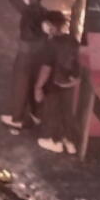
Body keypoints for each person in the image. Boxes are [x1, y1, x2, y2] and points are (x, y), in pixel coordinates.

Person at [0, 0, 47, 130]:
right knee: (35, 83)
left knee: (21, 84)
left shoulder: (28, 11)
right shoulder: (45, 12)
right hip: (40, 54)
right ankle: (36, 114)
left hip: (26, 53)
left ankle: (17, 118)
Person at [34, 11, 82, 156]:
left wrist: (38, 86)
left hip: (54, 83)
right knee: (67, 111)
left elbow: (46, 68)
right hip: (70, 82)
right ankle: (70, 142)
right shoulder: (72, 40)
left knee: (52, 110)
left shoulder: (52, 43)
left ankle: (54, 141)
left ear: (52, 25)